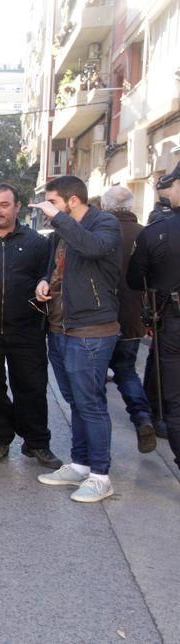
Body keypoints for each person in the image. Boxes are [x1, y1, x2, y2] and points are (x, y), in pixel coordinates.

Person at [32, 175, 122, 503]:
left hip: (93, 329)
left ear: (72, 200)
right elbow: (56, 269)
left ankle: (100, 475)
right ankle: (80, 464)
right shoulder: (63, 231)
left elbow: (92, 248)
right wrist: (44, 282)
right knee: (76, 402)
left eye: (52, 203)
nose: (47, 210)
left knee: (91, 403)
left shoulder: (105, 223)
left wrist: (59, 219)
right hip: (60, 327)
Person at [0, 184, 61, 468]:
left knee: (32, 388)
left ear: (17, 207)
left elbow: (48, 276)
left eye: (3, 205)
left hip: (26, 330)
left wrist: (42, 285)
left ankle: (37, 443)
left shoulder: (37, 242)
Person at [128, 167, 180, 468]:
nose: (167, 193)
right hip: (170, 320)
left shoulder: (156, 232)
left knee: (174, 398)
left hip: (172, 324)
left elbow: (136, 279)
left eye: (171, 186)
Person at [101, 185, 156, 453]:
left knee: (94, 377)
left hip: (99, 320)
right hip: (133, 317)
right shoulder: (145, 234)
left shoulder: (99, 232)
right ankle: (142, 418)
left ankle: (98, 435)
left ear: (105, 206)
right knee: (126, 371)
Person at [144, 163, 180, 435]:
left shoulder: (161, 227)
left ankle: (156, 416)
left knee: (171, 392)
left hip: (171, 318)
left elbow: (139, 276)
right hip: (168, 315)